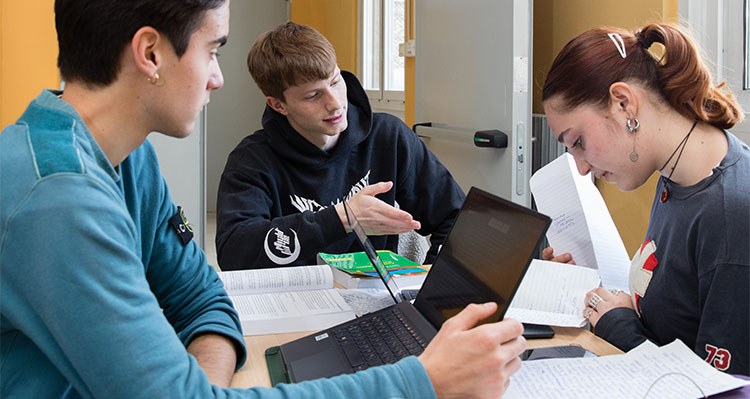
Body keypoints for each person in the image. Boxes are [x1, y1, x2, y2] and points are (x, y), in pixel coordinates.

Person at [0, 1, 527, 397]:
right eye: (213, 50)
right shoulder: (57, 195)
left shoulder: (126, 157)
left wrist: (205, 388)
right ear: (151, 53)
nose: (218, 78)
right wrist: (423, 382)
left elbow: (200, 299)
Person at [541, 23, 749, 375]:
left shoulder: (731, 216)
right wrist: (605, 300)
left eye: (578, 142)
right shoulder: (676, 172)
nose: (580, 168)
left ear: (624, 104)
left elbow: (723, 388)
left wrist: (620, 326)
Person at [215, 22, 465, 270]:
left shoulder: (389, 136)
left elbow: (457, 218)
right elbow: (234, 254)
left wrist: (433, 286)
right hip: (295, 304)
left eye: (335, 82)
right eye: (313, 95)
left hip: (380, 298)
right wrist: (341, 218)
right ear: (279, 105)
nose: (335, 104)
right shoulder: (251, 161)